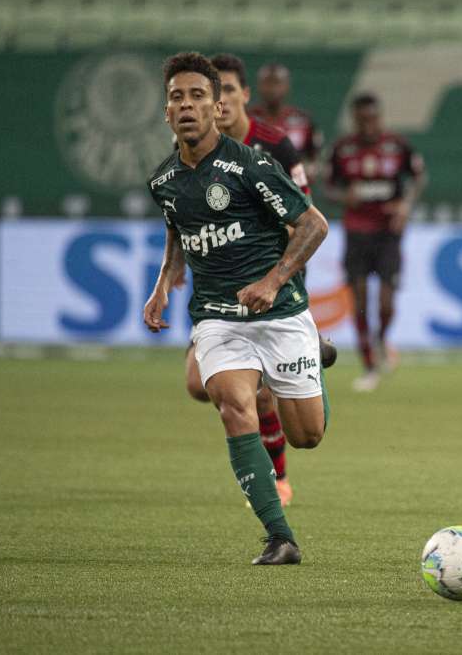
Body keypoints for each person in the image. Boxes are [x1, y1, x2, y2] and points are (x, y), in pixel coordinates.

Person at [144, 52, 329, 565]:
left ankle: (312, 351)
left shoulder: (251, 164)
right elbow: (178, 226)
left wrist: (273, 281)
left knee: (307, 435)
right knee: (232, 405)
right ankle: (280, 536)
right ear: (166, 112)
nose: (187, 105)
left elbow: (314, 225)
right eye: (177, 97)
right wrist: (163, 283)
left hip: (280, 312)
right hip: (217, 316)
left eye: (198, 96)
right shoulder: (163, 181)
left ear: (217, 105)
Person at [325, 93, 425, 392]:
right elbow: (328, 185)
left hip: (388, 233)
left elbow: (418, 177)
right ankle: (369, 365)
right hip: (356, 233)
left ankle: (381, 338)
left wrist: (405, 205)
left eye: (373, 118)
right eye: (362, 120)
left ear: (379, 118)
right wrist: (344, 197)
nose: (369, 125)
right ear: (355, 120)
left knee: (385, 300)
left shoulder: (397, 145)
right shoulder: (342, 149)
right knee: (359, 301)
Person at [249, 62, 323, 178]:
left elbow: (315, 158)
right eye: (267, 83)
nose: (272, 89)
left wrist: (302, 175)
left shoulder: (303, 120)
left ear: (287, 86)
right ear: (259, 86)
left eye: (277, 83)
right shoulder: (247, 118)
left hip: (293, 189)